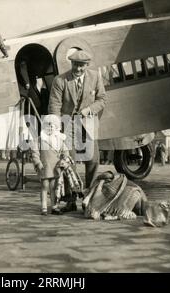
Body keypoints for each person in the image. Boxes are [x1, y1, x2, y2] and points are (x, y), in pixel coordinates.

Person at [48, 50, 106, 212]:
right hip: (67, 125)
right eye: (75, 65)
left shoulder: (96, 77)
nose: (78, 69)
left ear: (87, 65)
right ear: (71, 63)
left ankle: (92, 199)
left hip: (88, 123)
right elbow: (54, 106)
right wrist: (56, 129)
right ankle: (70, 200)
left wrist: (89, 109)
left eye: (81, 66)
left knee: (93, 160)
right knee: (68, 161)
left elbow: (102, 100)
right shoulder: (60, 80)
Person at [31, 115, 67, 216]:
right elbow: (35, 152)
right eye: (48, 126)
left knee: (54, 187)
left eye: (53, 126)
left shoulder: (59, 140)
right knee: (44, 186)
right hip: (45, 167)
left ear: (57, 128)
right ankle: (43, 207)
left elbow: (65, 151)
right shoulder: (39, 140)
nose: (50, 128)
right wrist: (38, 162)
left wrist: (64, 159)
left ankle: (54, 206)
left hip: (55, 167)